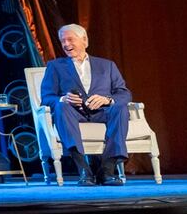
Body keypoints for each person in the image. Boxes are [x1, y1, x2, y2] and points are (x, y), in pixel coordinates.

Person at [40, 24, 130, 186]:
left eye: (70, 40)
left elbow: (123, 93)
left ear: (84, 40)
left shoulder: (107, 65)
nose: (66, 44)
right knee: (61, 107)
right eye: (63, 41)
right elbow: (46, 97)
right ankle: (84, 170)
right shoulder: (55, 66)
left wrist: (107, 100)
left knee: (120, 107)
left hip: (102, 112)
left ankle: (107, 170)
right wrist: (63, 99)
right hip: (74, 112)